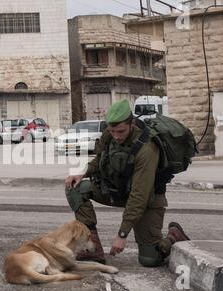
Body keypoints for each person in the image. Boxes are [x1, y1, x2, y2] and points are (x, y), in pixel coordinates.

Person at [65, 100, 190, 267]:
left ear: (131, 124)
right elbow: (100, 159)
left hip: (147, 199)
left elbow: (139, 195)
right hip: (118, 191)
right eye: (112, 130)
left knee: (150, 259)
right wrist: (84, 173)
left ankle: (174, 236)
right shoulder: (109, 135)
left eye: (121, 131)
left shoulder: (147, 148)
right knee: (75, 188)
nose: (116, 136)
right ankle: (93, 251)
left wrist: (122, 235)